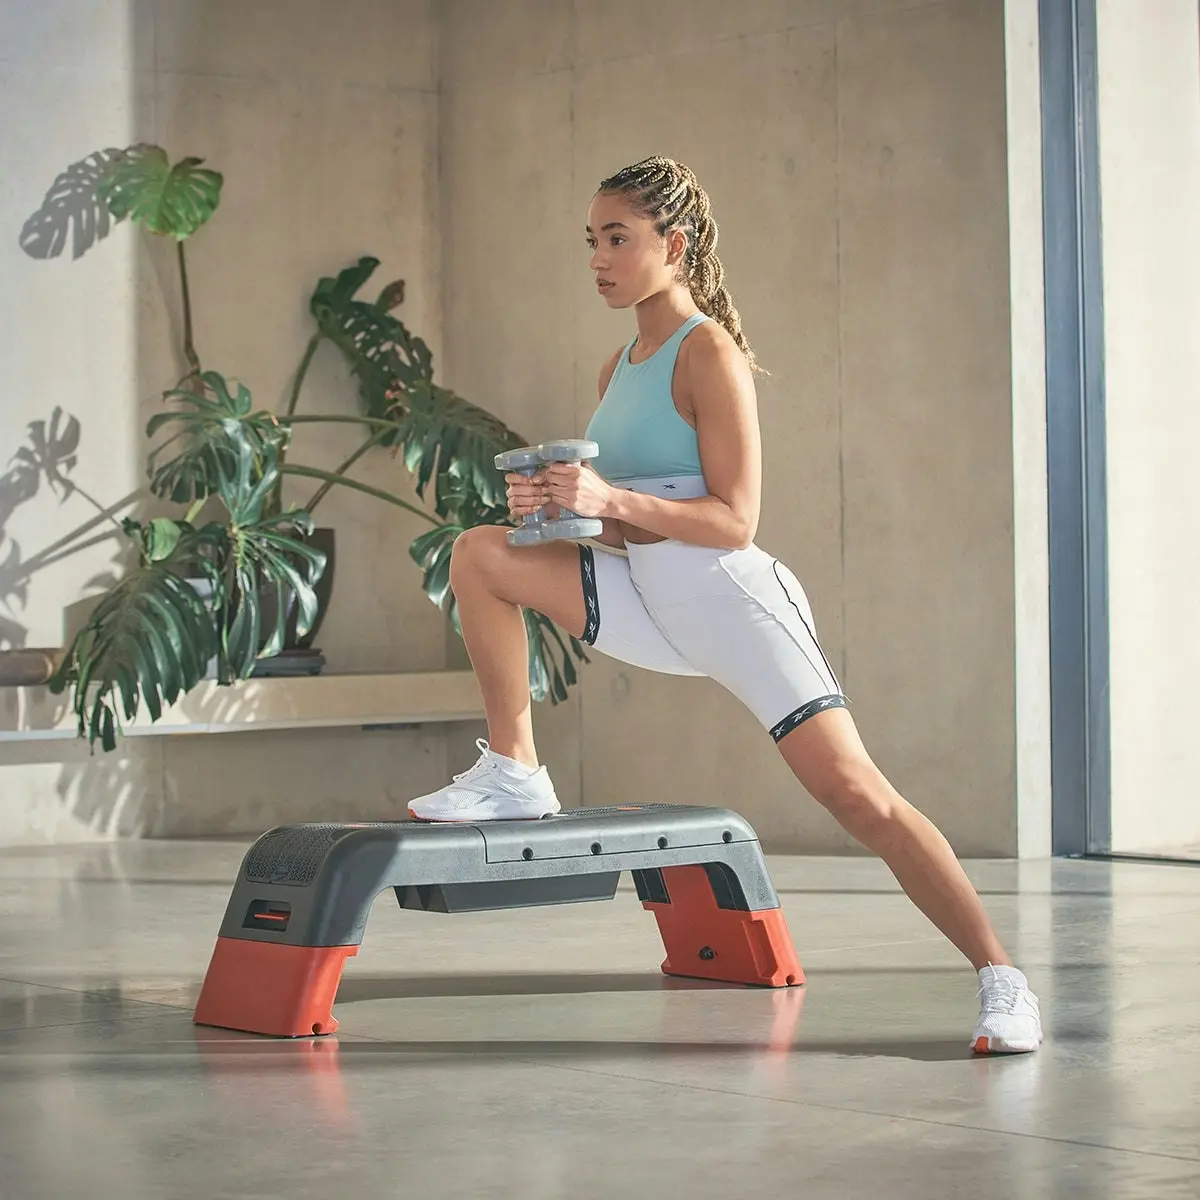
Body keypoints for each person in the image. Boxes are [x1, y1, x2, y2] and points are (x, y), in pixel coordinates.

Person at [408, 156, 1043, 1055]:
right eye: (591, 240)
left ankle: (1000, 978)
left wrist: (611, 501)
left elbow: (734, 521)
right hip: (652, 595)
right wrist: (569, 513)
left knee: (861, 797)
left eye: (618, 238)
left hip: (732, 600)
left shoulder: (709, 352)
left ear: (675, 244)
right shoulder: (617, 366)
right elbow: (631, 526)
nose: (599, 257)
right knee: (482, 552)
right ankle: (517, 770)